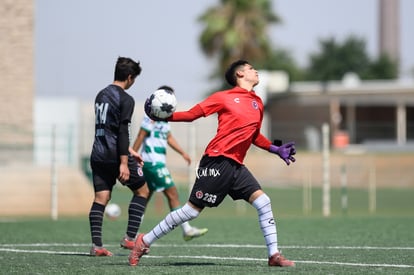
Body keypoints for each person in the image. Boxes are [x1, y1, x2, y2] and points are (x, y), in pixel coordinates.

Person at [128, 60, 297, 267]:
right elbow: (191, 115)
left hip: (236, 166)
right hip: (216, 162)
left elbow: (253, 135)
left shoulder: (257, 103)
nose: (256, 70)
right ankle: (143, 241)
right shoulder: (222, 97)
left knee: (264, 202)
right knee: (191, 212)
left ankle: (274, 255)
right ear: (240, 74)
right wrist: (162, 116)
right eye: (251, 68)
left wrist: (275, 149)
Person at [89, 57, 149, 256]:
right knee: (142, 191)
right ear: (130, 77)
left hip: (98, 152)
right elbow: (122, 130)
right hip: (114, 155)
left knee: (101, 197)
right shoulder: (126, 99)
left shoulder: (101, 94)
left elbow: (108, 128)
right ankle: (130, 239)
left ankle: (97, 246)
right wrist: (124, 162)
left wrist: (130, 151)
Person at [131, 86, 208, 241]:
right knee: (172, 193)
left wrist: (183, 153)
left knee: (144, 197)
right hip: (152, 163)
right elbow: (141, 135)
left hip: (154, 163)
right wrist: (131, 155)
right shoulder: (150, 116)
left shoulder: (164, 118)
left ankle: (130, 235)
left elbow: (169, 138)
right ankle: (186, 229)